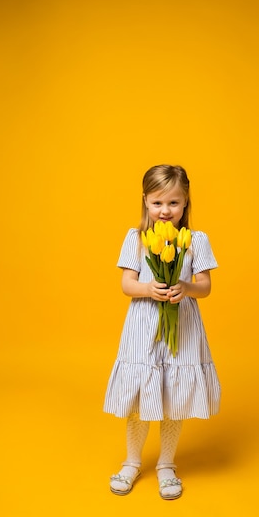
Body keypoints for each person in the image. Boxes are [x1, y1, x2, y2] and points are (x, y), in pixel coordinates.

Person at [103, 164, 221, 499]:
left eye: (173, 203)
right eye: (157, 203)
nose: (165, 211)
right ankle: (131, 461)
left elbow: (205, 287)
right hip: (144, 327)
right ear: (145, 202)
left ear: (185, 203)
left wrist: (184, 285)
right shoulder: (136, 238)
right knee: (142, 397)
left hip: (180, 327)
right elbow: (127, 284)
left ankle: (166, 464)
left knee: (173, 398)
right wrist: (149, 289)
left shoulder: (196, 241)